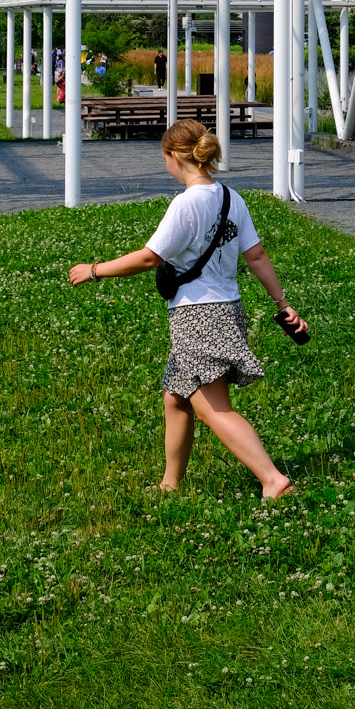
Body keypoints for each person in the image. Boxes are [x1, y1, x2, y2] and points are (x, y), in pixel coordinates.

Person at [67, 118, 307, 499]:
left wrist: (95, 270)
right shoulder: (231, 198)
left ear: (173, 157)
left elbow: (149, 259)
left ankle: (273, 480)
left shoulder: (185, 204)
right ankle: (170, 485)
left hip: (198, 316)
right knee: (175, 397)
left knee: (214, 410)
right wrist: (283, 303)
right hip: (228, 309)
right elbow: (256, 254)